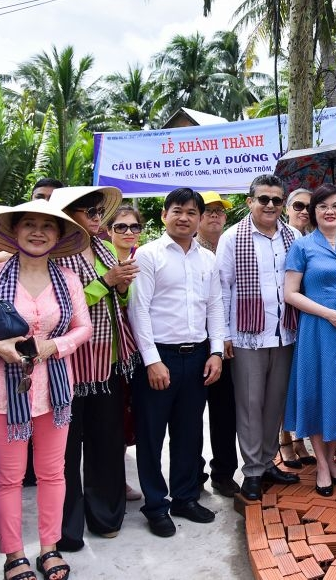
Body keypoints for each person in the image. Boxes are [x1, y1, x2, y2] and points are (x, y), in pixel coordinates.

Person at [0, 200, 92, 580]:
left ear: (59, 235)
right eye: (28, 224)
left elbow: (83, 327)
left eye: (47, 226)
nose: (37, 232)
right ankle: (14, 554)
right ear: (14, 232)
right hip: (3, 391)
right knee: (8, 477)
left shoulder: (67, 278)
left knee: (53, 473)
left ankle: (49, 548)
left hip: (55, 389)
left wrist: (55, 346)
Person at [127, 188, 226, 538]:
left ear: (200, 218)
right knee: (152, 436)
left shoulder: (208, 260)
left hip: (196, 356)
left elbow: (215, 306)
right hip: (159, 357)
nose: (184, 217)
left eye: (191, 212)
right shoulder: (149, 256)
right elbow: (138, 310)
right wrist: (152, 361)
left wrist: (215, 352)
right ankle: (156, 505)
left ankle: (185, 497)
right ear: (164, 215)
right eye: (177, 211)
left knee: (189, 433)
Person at [48, 186, 139, 552]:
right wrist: (107, 283)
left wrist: (120, 287)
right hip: (70, 366)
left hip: (109, 363)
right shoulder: (55, 256)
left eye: (99, 210)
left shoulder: (104, 248)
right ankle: (67, 526)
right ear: (69, 214)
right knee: (67, 452)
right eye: (89, 210)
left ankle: (106, 516)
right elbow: (62, 309)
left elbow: (122, 301)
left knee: (106, 443)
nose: (97, 216)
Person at [216, 176, 301, 503]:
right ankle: (252, 471)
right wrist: (223, 334)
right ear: (250, 201)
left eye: (276, 200)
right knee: (250, 405)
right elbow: (222, 290)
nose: (269, 205)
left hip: (284, 333)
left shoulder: (292, 236)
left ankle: (267, 463)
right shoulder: (232, 238)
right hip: (247, 336)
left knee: (273, 404)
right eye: (263, 199)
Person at [283, 184, 336, 496]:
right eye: (322, 207)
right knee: (318, 392)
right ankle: (321, 464)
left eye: (334, 205)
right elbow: (290, 294)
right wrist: (328, 313)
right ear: (314, 213)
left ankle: (332, 461)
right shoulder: (302, 246)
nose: (329, 211)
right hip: (317, 330)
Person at [194, 191, 240, 498]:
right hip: (195, 344)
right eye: (208, 211)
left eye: (219, 212)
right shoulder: (186, 250)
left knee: (225, 413)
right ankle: (192, 473)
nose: (214, 216)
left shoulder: (231, 246)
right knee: (190, 415)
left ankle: (224, 473)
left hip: (227, 345)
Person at [104, 204, 145, 503]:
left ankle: (117, 478)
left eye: (134, 227)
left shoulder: (142, 258)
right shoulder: (99, 260)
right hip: (104, 354)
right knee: (108, 421)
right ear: (109, 230)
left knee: (127, 419)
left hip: (136, 353)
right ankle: (107, 480)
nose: (128, 232)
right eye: (121, 227)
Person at [277, 187, 316, 470]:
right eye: (298, 206)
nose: (304, 211)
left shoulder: (316, 239)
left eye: (309, 207)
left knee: (300, 383)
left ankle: (301, 440)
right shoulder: (279, 237)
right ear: (287, 208)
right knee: (282, 385)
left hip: (309, 321)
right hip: (282, 322)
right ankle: (284, 441)